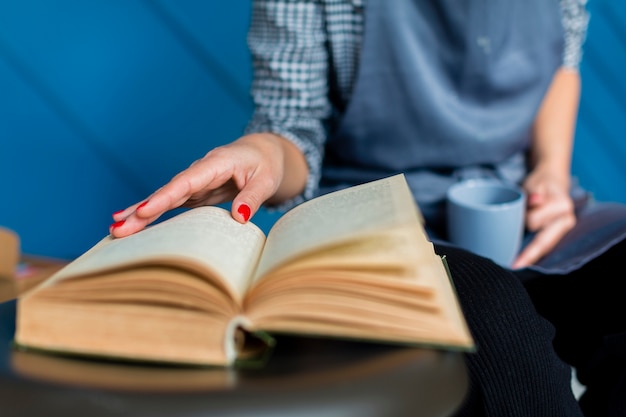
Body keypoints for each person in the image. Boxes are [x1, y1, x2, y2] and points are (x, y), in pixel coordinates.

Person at [110, 1, 626, 415]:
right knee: (491, 313)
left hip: (523, 207)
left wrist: (551, 174)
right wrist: (263, 153)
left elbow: (564, 59)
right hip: (378, 216)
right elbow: (294, 127)